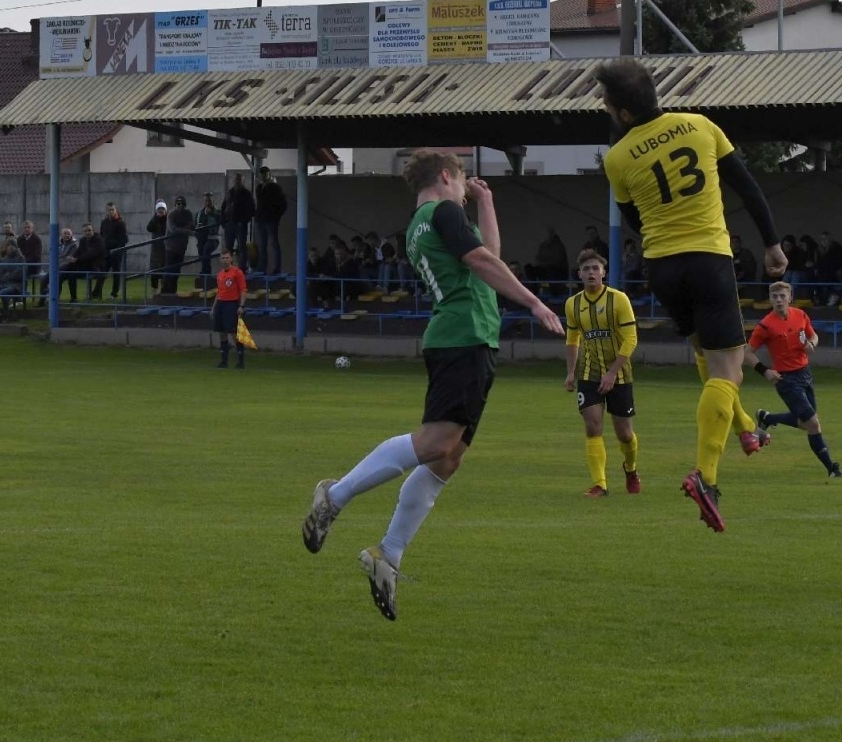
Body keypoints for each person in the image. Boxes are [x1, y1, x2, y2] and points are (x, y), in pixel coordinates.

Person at [300, 151, 562, 621]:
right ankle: (334, 497)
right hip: (462, 335)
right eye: (462, 183)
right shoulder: (442, 211)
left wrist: (486, 204)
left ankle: (387, 555)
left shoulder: (423, 223)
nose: (464, 192)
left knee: (447, 458)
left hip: (470, 338)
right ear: (446, 175)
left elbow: (487, 257)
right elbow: (482, 260)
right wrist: (534, 303)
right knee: (436, 443)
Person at [595, 57, 786, 532]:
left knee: (706, 353)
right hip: (708, 260)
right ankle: (707, 477)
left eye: (606, 104)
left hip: (662, 266)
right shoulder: (700, 125)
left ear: (622, 113)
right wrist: (771, 243)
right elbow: (747, 187)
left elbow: (636, 220)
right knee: (729, 370)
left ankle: (744, 427)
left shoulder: (616, 158)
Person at [562, 249, 641, 497]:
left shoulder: (619, 300)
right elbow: (572, 339)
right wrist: (571, 372)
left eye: (595, 268)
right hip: (589, 373)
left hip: (620, 374)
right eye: (586, 269)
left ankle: (630, 469)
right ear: (579, 274)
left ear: (604, 273)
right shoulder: (573, 304)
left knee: (624, 434)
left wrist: (612, 372)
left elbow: (631, 339)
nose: (591, 273)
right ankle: (600, 484)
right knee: (593, 427)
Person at [748, 281, 842, 478]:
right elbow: (747, 353)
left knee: (804, 423)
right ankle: (832, 468)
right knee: (813, 424)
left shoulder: (800, 315)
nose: (779, 300)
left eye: (783, 296)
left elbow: (813, 336)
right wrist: (765, 371)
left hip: (805, 373)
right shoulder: (766, 325)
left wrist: (812, 344)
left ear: (790, 297)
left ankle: (768, 418)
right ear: (770, 300)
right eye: (775, 297)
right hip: (786, 380)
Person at [211, 248, 248, 369]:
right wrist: (213, 308)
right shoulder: (220, 274)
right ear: (220, 259)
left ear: (231, 259)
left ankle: (240, 361)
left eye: (227, 257)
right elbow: (219, 292)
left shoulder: (237, 272)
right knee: (221, 332)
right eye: (223, 258)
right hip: (220, 304)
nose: (225, 260)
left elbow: (243, 290)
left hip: (231, 304)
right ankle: (224, 361)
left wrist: (241, 306)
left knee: (233, 332)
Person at [255, 170, 288, 277]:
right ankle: (262, 269)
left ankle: (277, 268)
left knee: (274, 245)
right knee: (262, 246)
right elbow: (259, 204)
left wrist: (276, 217)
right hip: (261, 220)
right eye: (262, 174)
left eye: (265, 174)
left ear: (269, 174)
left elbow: (283, 204)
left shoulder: (275, 187)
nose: (263, 176)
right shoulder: (259, 187)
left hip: (270, 220)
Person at [162, 197, 194, 295]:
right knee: (169, 268)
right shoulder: (171, 214)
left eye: (182, 204)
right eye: (178, 204)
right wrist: (187, 231)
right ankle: (165, 290)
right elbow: (173, 229)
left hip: (181, 246)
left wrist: (184, 230)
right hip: (171, 246)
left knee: (177, 269)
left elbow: (191, 224)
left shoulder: (188, 214)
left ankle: (173, 290)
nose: (180, 206)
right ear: (175, 205)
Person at [222, 173, 255, 261]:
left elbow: (251, 210)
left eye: (239, 180)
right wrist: (224, 223)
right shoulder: (230, 193)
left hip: (240, 225)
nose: (237, 181)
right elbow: (223, 207)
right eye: (236, 179)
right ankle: (229, 268)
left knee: (242, 248)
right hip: (229, 225)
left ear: (242, 181)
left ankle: (242, 268)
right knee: (228, 248)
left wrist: (243, 221)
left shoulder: (247, 194)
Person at [99, 203, 129, 300]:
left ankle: (114, 293)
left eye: (112, 209)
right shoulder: (104, 223)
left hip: (116, 252)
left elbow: (124, 239)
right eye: (109, 210)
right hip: (106, 251)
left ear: (116, 210)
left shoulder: (120, 223)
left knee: (116, 272)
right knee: (102, 272)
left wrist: (117, 250)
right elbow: (101, 236)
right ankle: (97, 293)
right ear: (106, 211)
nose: (111, 211)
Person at [71, 223, 107, 301]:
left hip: (97, 266)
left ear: (93, 230)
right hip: (85, 265)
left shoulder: (99, 240)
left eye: (89, 230)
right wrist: (72, 257)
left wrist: (77, 259)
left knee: (102, 275)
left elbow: (92, 254)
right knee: (70, 273)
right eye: (85, 231)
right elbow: (79, 251)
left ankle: (95, 295)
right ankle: (73, 298)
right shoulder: (83, 240)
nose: (87, 232)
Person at [195, 192, 221, 288]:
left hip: (213, 238)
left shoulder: (217, 211)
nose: (207, 203)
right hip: (202, 238)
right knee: (201, 253)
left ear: (212, 201)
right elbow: (196, 224)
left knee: (206, 251)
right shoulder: (200, 213)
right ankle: (204, 274)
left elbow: (221, 219)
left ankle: (206, 274)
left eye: (209, 200)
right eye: (206, 201)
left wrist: (211, 213)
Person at [17, 221, 43, 300]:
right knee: (13, 270)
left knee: (21, 271)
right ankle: (15, 293)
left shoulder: (37, 240)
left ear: (32, 229)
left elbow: (36, 256)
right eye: (25, 228)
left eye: (28, 227)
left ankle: (22, 293)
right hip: (21, 263)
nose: (26, 229)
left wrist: (23, 260)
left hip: (34, 265)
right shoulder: (20, 239)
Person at [146, 202, 169, 292]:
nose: (161, 211)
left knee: (165, 269)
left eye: (163, 209)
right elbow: (149, 228)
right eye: (159, 209)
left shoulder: (168, 219)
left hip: (166, 248)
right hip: (156, 248)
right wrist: (156, 218)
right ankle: (154, 289)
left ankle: (164, 288)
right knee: (154, 270)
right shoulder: (154, 220)